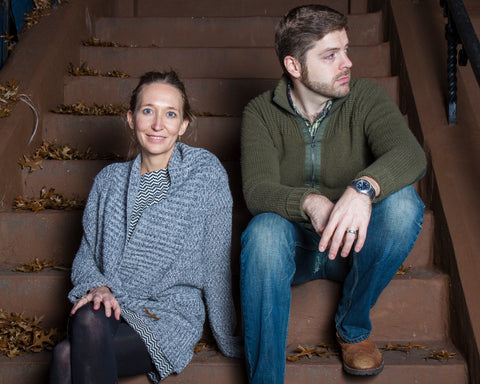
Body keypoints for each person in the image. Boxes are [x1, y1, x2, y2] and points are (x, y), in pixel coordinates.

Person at [240, 5, 426, 383]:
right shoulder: (260, 112)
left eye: (346, 49)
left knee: (405, 204)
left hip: (353, 249)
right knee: (262, 232)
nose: (347, 63)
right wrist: (311, 202)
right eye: (331, 55)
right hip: (295, 249)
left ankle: (352, 327)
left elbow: (410, 154)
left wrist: (362, 188)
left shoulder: (365, 98)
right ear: (294, 66)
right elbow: (257, 191)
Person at [49, 70, 242, 383]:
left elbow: (215, 261)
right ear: (131, 118)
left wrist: (226, 334)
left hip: (167, 315)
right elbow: (86, 257)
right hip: (111, 304)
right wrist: (98, 286)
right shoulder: (108, 181)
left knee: (65, 355)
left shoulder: (205, 175)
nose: (157, 125)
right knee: (87, 319)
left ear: (183, 125)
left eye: (170, 114)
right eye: (148, 111)